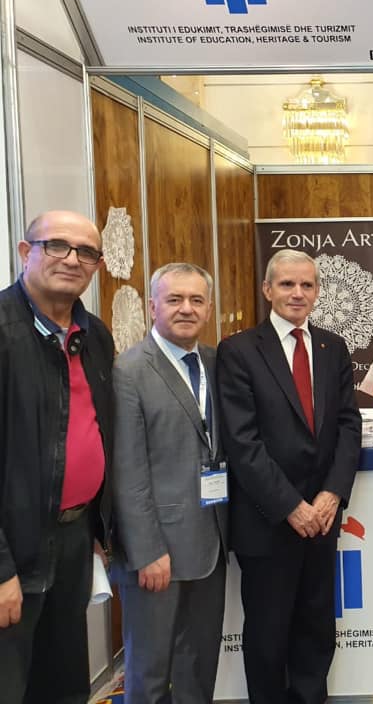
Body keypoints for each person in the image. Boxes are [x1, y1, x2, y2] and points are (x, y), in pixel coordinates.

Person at [217, 249, 361, 704]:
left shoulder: (333, 347)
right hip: (269, 520)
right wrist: (291, 506)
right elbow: (243, 442)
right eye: (286, 284)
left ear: (317, 292)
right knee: (267, 634)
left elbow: (348, 425)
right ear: (267, 290)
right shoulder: (238, 351)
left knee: (316, 629)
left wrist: (332, 494)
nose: (297, 293)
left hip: (322, 517)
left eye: (306, 285)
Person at [0, 211, 115, 704]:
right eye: (57, 246)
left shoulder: (96, 336)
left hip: (73, 538)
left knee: (64, 682)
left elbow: (99, 431)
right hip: (13, 545)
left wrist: (97, 529)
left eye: (86, 251)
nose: (72, 259)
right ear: (26, 253)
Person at [112, 262, 228, 704]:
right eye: (175, 299)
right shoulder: (129, 371)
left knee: (199, 664)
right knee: (150, 672)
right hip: (156, 551)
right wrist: (146, 551)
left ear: (209, 309)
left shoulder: (217, 362)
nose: (186, 309)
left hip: (211, 540)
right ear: (152, 306)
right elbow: (128, 471)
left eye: (196, 300)